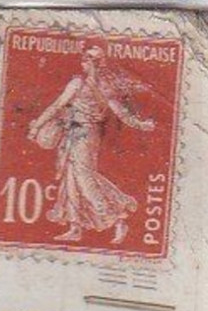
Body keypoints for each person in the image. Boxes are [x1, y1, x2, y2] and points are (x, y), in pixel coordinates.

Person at [28, 46, 156, 245]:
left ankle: (117, 219)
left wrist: (36, 126)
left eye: (87, 60)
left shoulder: (78, 84)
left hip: (82, 136)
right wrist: (142, 124)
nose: (84, 63)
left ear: (88, 63)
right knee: (71, 178)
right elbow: (122, 115)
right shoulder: (105, 86)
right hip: (80, 134)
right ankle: (75, 227)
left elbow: (56, 106)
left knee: (83, 178)